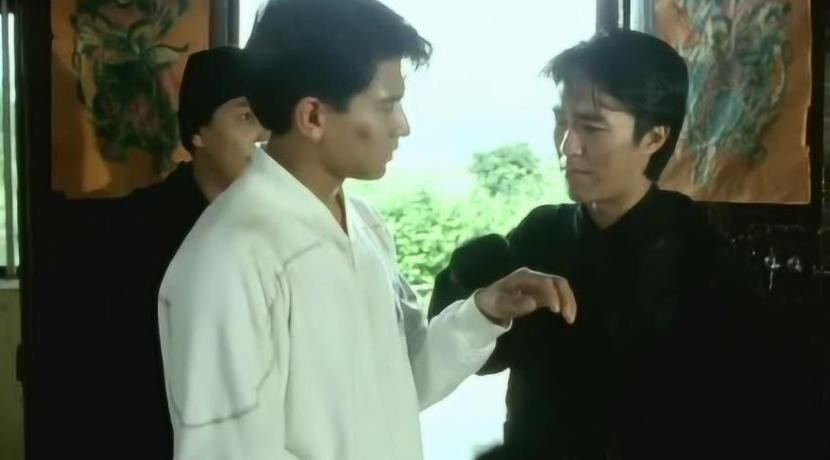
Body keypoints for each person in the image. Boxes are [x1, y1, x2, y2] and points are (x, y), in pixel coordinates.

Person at [157, 1, 577, 459]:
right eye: (386, 105)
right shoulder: (230, 256)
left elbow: (400, 383)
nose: (403, 126)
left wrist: (484, 312)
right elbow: (225, 450)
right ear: (312, 117)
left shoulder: (365, 227)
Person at [430, 30, 770, 459]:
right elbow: (481, 358)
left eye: (591, 126)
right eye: (562, 121)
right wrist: (481, 297)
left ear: (654, 138)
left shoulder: (703, 260)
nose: (567, 146)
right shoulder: (541, 234)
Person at [105, 46, 268, 458]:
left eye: (270, 118)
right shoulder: (140, 228)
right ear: (198, 132)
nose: (264, 136)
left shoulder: (276, 222)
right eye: (247, 117)